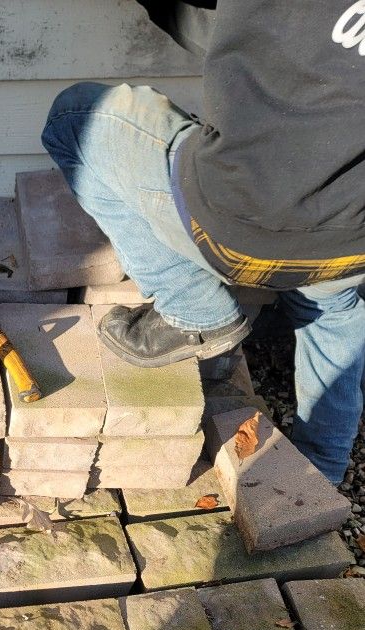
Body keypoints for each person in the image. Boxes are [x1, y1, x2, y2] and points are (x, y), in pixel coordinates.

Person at [41, 0, 365, 484]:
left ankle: (193, 308)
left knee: (74, 118)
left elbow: (203, 25)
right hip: (350, 241)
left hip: (232, 227)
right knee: (336, 310)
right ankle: (320, 476)